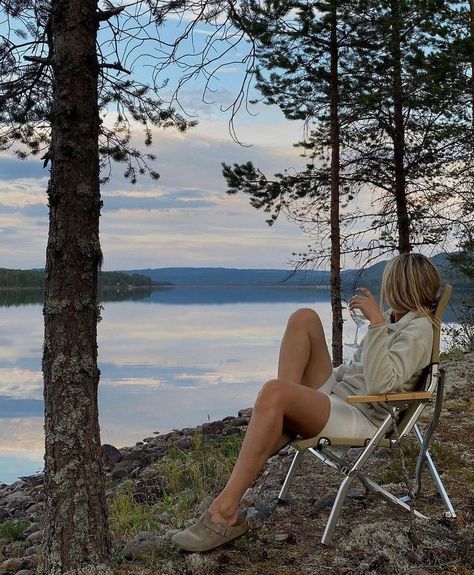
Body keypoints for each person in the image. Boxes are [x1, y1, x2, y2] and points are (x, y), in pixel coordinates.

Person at [172, 253, 440, 552]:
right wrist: (370, 335)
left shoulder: (418, 330)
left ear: (399, 286)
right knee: (304, 317)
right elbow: (355, 370)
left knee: (275, 392)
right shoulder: (394, 319)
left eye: (389, 282)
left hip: (361, 414)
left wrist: (375, 323)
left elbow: (380, 385)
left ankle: (224, 513)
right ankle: (281, 417)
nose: (384, 289)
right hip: (340, 397)